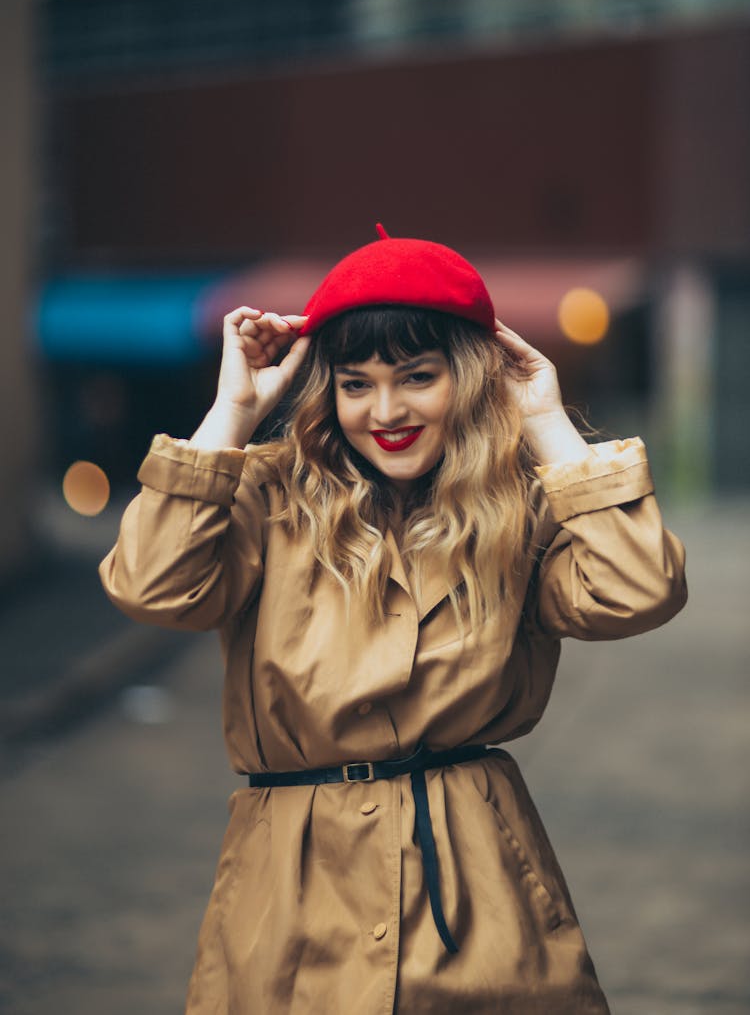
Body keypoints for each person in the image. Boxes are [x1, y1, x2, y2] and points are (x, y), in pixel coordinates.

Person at [100, 227, 687, 1015]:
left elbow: (640, 589)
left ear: (470, 378)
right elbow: (151, 586)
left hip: (477, 885)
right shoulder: (266, 496)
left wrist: (548, 425)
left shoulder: (523, 507)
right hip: (292, 892)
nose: (386, 410)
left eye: (418, 376)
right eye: (356, 383)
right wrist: (233, 412)